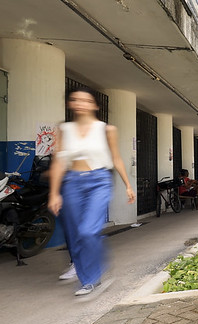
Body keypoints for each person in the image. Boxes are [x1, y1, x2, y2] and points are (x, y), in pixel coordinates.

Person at [48, 89, 135, 296]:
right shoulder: (64, 129)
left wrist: (128, 185)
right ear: (70, 104)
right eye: (75, 100)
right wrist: (54, 193)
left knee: (88, 231)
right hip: (71, 182)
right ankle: (86, 270)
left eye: (86, 100)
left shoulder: (106, 129)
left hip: (99, 181)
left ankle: (91, 279)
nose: (80, 103)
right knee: (75, 234)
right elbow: (59, 162)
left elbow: (116, 158)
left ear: (95, 105)